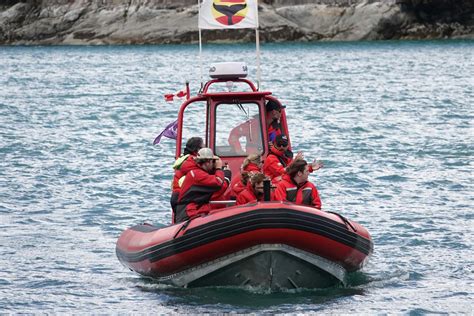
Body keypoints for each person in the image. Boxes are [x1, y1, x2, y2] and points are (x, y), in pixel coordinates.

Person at [175, 148, 232, 223]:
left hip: (193, 211)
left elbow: (217, 189)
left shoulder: (196, 172)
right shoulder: (196, 174)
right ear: (208, 162)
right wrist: (219, 169)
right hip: (188, 213)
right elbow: (218, 183)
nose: (214, 164)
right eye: (213, 161)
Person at [170, 137, 204, 220]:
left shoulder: (184, 159)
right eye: (203, 148)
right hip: (182, 199)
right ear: (197, 149)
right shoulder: (192, 162)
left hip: (177, 196)